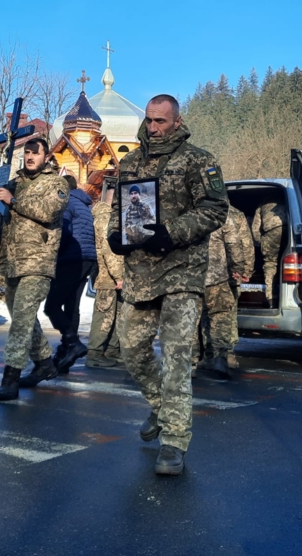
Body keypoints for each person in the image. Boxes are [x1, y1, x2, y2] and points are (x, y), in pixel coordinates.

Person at [107, 94, 228, 476]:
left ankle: (174, 441)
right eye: (150, 120)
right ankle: (160, 406)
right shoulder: (130, 161)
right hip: (141, 272)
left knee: (177, 356)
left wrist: (171, 232)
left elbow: (215, 209)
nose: (154, 127)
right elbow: (119, 208)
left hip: (182, 271)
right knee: (130, 348)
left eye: (161, 121)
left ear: (177, 121)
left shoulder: (199, 160)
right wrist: (115, 235)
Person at [0, 137, 69, 401]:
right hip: (11, 262)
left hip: (38, 263)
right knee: (23, 318)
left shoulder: (56, 183)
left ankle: (10, 378)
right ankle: (44, 362)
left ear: (46, 156)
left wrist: (14, 201)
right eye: (27, 153)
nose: (30, 157)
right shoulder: (12, 183)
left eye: (35, 153)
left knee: (20, 320)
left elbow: (49, 211)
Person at [45, 174, 97, 372]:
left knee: (52, 306)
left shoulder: (66, 202)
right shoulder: (84, 205)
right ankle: (67, 352)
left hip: (70, 258)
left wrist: (55, 252)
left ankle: (72, 343)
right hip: (87, 259)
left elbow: (64, 232)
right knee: (72, 305)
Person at [197, 205, 254, 379]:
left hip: (193, 277)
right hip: (219, 276)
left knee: (196, 319)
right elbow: (241, 243)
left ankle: (194, 360)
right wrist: (242, 269)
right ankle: (222, 356)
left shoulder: (189, 210)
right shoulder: (226, 213)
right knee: (222, 316)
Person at [86, 180, 123, 368]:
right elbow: (109, 250)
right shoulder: (106, 217)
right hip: (107, 277)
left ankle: (111, 351)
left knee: (114, 315)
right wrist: (119, 275)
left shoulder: (103, 215)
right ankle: (94, 353)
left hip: (110, 276)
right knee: (104, 316)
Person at [251, 200, 286, 304]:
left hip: (271, 233)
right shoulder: (286, 202)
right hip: (288, 230)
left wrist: (260, 242)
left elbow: (255, 228)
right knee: (289, 259)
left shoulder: (261, 205)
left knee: (270, 264)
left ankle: (271, 298)